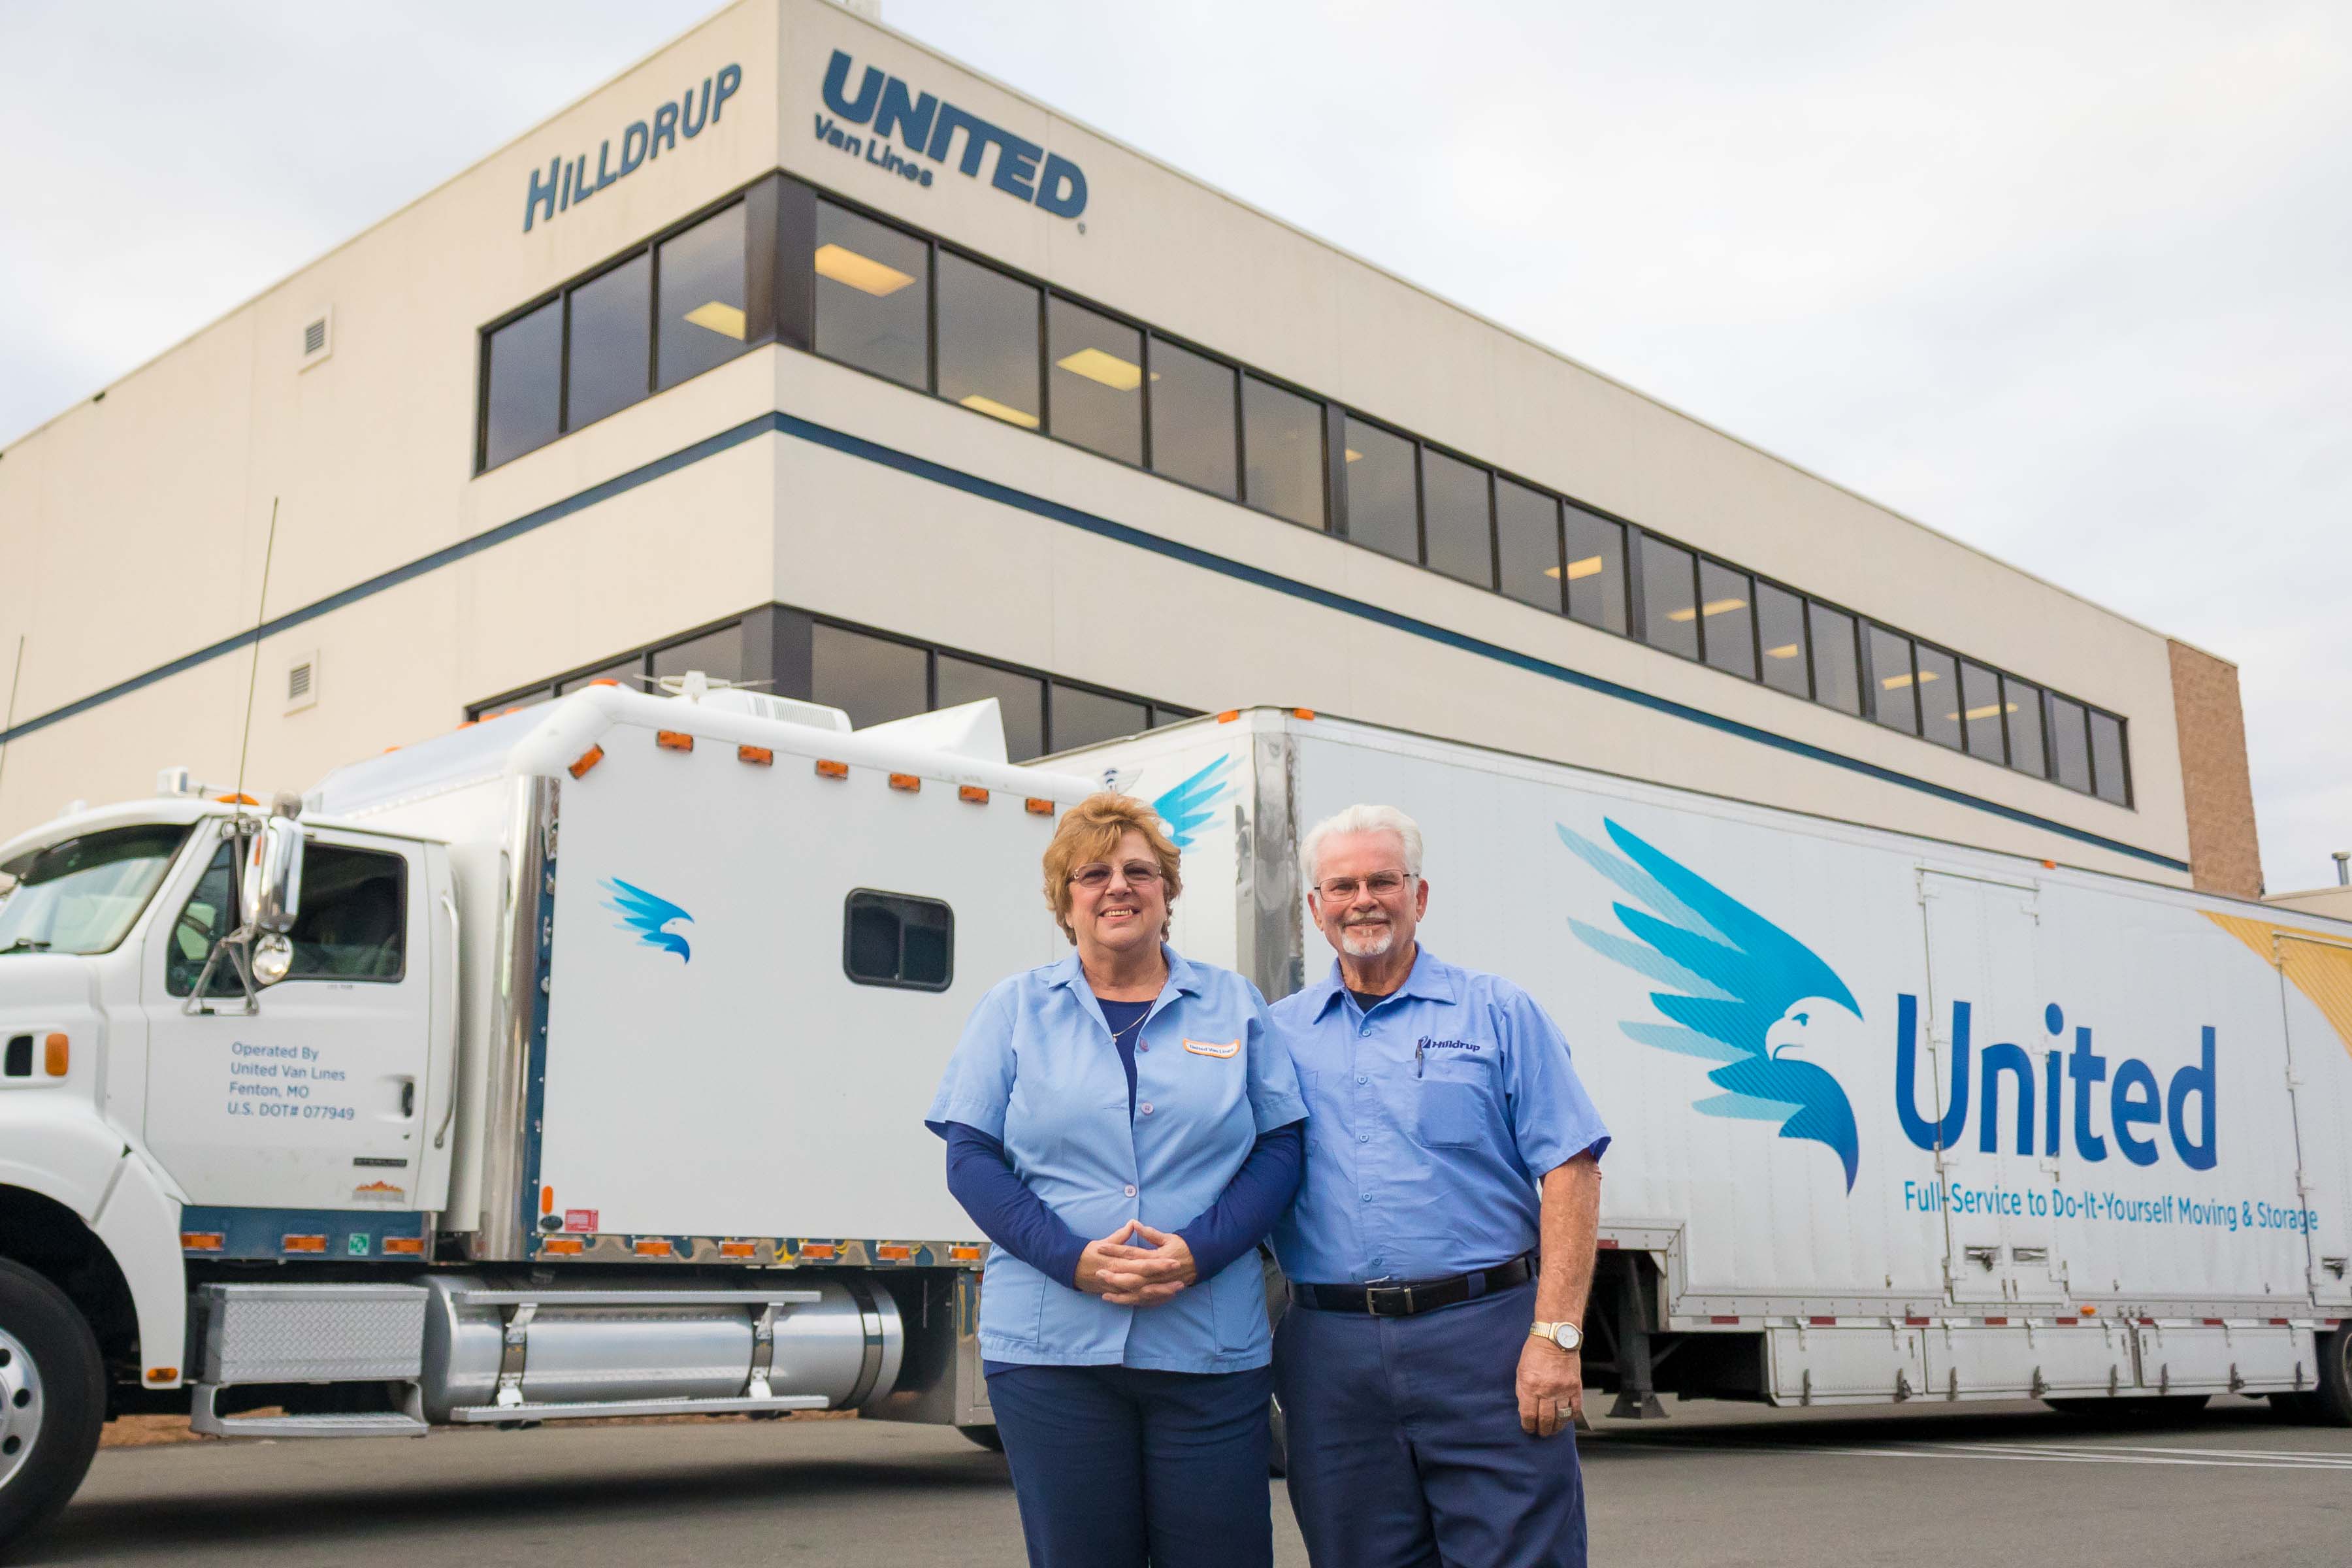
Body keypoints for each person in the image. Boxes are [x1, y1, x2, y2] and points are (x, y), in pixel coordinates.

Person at [926, 791, 1307, 1568]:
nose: (1118, 887)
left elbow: (1280, 1150)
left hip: (1208, 1348)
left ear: (1167, 894)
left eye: (1140, 871)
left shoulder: (1233, 1005)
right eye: (1092, 873)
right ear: (1065, 903)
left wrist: (1198, 1252)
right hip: (1051, 1354)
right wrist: (1072, 1259)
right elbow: (969, 1157)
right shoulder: (1013, 1009)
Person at [1270, 802, 1609, 1568]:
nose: (1364, 900)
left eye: (1384, 881)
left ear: (1419, 896)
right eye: (1343, 885)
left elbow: (1572, 1170)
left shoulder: (1498, 1012)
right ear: (1316, 908)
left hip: (1485, 1340)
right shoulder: (1276, 1036)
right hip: (1331, 1353)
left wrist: (1556, 1337)